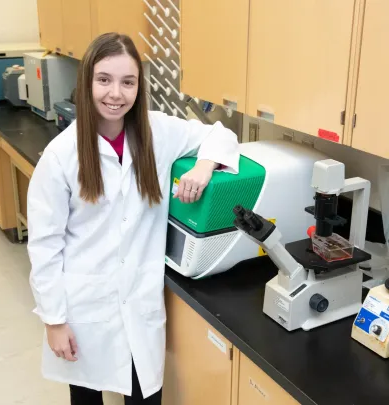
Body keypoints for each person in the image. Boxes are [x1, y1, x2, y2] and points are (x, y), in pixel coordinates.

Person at [26, 32, 240, 405]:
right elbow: (44, 246)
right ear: (87, 81)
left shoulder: (159, 132)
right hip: (84, 308)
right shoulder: (61, 156)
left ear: (139, 87)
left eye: (128, 82)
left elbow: (221, 134)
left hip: (140, 303)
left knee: (145, 396)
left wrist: (204, 167)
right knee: (87, 397)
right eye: (104, 80)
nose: (116, 93)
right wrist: (54, 321)